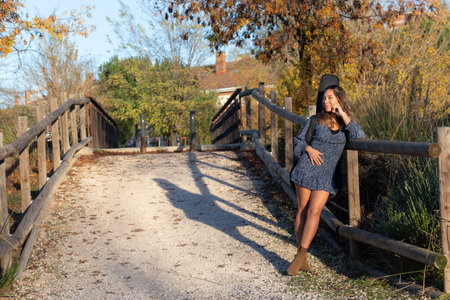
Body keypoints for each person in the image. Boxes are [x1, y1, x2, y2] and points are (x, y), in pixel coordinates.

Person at [287, 85, 365, 275]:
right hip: (306, 169)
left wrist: (344, 115)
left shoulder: (346, 126)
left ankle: (300, 256)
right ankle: (302, 256)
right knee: (303, 211)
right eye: (324, 99)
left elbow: (360, 137)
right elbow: (298, 141)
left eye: (330, 98)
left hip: (326, 176)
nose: (326, 102)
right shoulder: (316, 120)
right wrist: (309, 149)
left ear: (339, 99)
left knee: (315, 211)